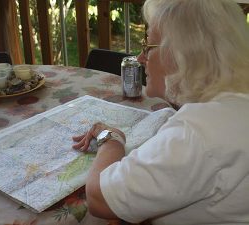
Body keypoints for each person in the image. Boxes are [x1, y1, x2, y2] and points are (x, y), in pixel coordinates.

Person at [72, 0, 249, 224]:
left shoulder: (195, 133)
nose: (140, 58)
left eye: (149, 46)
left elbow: (99, 199)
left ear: (183, 56)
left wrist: (111, 140)